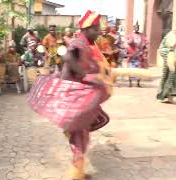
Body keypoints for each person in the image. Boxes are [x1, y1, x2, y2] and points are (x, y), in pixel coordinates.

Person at [28, 10, 114, 180]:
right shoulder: (79, 43)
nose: (98, 33)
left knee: (80, 133)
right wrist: (87, 76)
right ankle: (76, 174)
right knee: (79, 135)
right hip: (73, 98)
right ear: (87, 29)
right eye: (95, 29)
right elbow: (68, 58)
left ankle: (78, 172)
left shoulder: (85, 43)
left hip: (78, 97)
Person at [157, 12, 176, 107]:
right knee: (169, 77)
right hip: (171, 59)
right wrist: (169, 54)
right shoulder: (171, 34)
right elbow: (162, 47)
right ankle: (167, 96)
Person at [126, 22, 148, 87]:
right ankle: (130, 83)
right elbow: (127, 43)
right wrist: (130, 42)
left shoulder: (142, 35)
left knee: (139, 68)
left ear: (138, 28)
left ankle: (138, 83)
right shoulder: (130, 35)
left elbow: (145, 44)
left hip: (139, 54)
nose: (136, 28)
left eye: (137, 27)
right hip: (132, 54)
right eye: (135, 27)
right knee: (130, 68)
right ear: (133, 28)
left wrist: (145, 51)